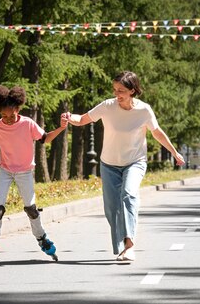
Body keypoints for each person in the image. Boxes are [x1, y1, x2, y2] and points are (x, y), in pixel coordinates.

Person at [64, 71, 185, 262]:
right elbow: (83, 119)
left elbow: (157, 132)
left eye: (121, 90)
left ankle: (129, 245)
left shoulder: (144, 110)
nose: (117, 94)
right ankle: (121, 245)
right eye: (115, 90)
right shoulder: (107, 106)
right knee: (112, 208)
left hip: (134, 162)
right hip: (109, 164)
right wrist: (70, 117)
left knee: (128, 195)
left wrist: (174, 152)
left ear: (132, 91)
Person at [0, 85, 68, 263]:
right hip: (5, 170)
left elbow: (44, 138)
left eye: (11, 115)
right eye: (4, 116)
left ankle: (42, 238)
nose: (8, 119)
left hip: (25, 171)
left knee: (31, 209)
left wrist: (61, 128)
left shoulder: (27, 123)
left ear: (18, 109)